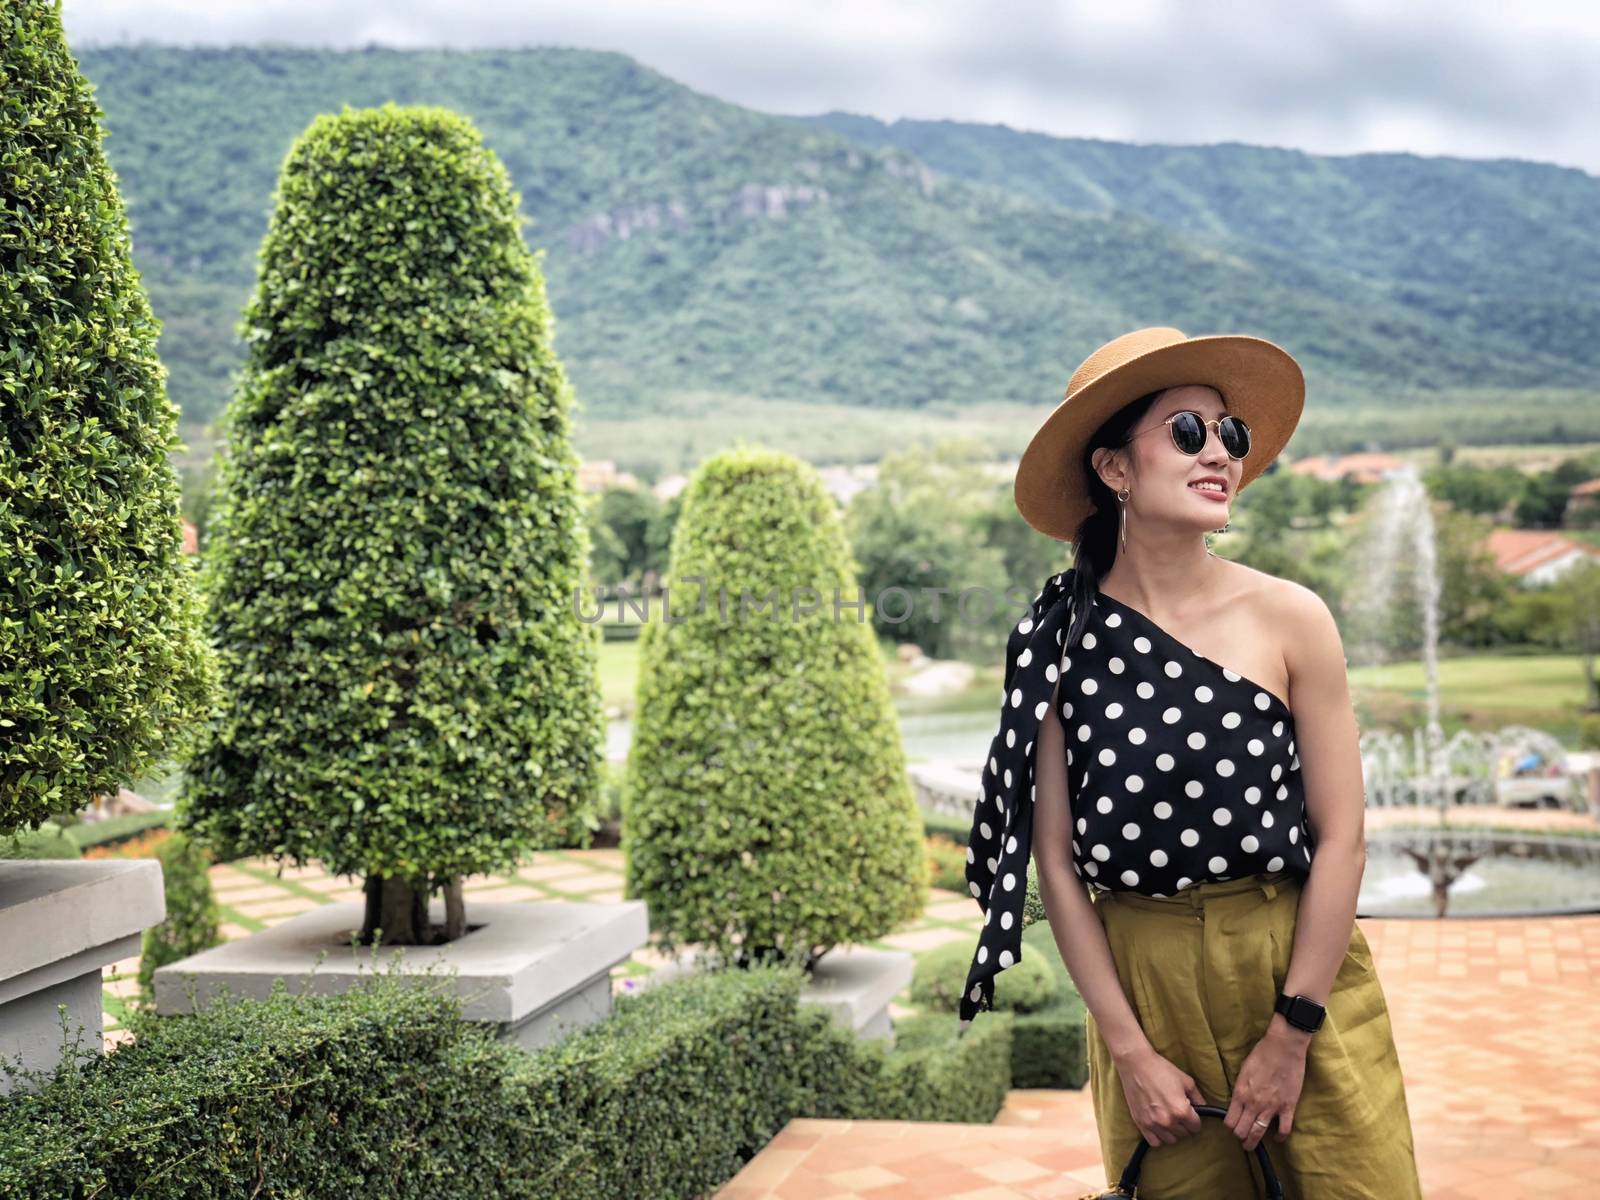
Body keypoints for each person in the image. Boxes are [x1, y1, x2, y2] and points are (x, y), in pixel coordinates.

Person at [960, 327, 1423, 1198]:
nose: (1220, 453)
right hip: (1145, 990)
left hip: (1296, 969)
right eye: (1187, 432)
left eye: (1230, 434)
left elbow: (1343, 837)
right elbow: (1054, 864)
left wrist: (1293, 1033)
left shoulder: (1291, 618)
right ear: (1114, 469)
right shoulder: (1060, 642)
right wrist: (1130, 1052)